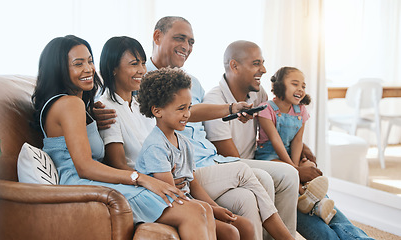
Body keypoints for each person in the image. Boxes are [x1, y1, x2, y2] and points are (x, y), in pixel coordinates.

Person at [97, 35, 288, 240]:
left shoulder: (142, 105)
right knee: (245, 173)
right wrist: (157, 180)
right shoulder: (107, 109)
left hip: (171, 178)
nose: (142, 70)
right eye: (134, 64)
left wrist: (231, 108)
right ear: (113, 68)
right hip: (150, 187)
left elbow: (187, 120)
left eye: (143, 63)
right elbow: (121, 164)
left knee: (243, 211)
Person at [31, 35, 217, 240]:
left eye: (90, 61)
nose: (89, 69)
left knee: (202, 209)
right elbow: (85, 166)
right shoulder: (70, 105)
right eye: (78, 64)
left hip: (90, 181)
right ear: (59, 69)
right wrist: (142, 179)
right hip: (81, 186)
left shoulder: (74, 105)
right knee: (194, 211)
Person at [203, 41, 373, 240]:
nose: (264, 70)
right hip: (240, 169)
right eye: (256, 63)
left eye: (263, 63)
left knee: (317, 200)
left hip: (265, 161)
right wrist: (295, 170)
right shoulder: (214, 101)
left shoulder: (258, 94)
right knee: (294, 182)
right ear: (234, 65)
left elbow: (272, 130)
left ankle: (359, 238)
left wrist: (301, 151)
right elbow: (233, 161)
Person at [136, 67, 256, 240]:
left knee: (245, 226)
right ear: (157, 111)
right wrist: (212, 209)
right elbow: (170, 193)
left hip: (186, 199)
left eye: (189, 107)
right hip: (162, 204)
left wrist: (216, 207)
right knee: (229, 232)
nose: (187, 114)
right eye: (181, 108)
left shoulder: (184, 142)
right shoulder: (155, 146)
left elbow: (193, 184)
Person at [255, 66, 336, 224]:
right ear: (279, 85)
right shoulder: (267, 109)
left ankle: (311, 199)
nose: (300, 89)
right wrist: (293, 168)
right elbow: (275, 140)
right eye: (295, 84)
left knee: (310, 166)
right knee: (290, 173)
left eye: (303, 86)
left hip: (289, 153)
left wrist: (297, 164)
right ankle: (316, 206)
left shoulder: (301, 111)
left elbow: (297, 141)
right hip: (269, 156)